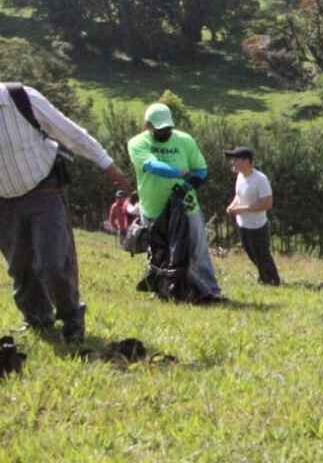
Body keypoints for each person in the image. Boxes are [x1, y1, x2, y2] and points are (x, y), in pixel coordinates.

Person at [1, 83, 130, 342]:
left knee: (53, 262)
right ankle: (37, 319)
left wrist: (109, 167)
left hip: (43, 191)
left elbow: (71, 134)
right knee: (20, 266)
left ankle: (71, 317)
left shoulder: (20, 98)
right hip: (3, 201)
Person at [126, 103, 222, 301]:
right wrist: (179, 173)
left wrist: (188, 185)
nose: (164, 132)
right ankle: (162, 289)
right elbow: (151, 165)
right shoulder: (137, 143)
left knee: (197, 247)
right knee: (158, 250)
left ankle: (209, 291)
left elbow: (201, 170)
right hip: (153, 208)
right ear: (148, 126)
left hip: (186, 206)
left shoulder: (185, 141)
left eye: (167, 128)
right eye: (159, 129)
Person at [224, 146, 280, 286]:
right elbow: (239, 195)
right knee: (251, 254)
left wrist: (241, 209)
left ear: (246, 161)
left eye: (235, 160)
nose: (232, 163)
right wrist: (232, 206)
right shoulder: (240, 176)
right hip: (243, 225)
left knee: (262, 255)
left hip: (258, 226)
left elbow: (267, 204)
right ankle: (264, 278)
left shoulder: (261, 179)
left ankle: (273, 281)